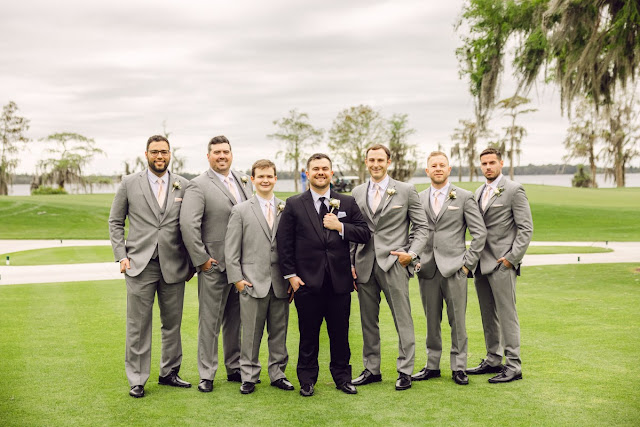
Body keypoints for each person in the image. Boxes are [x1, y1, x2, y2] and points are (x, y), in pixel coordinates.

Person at [276, 153, 370, 397]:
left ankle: (342, 378)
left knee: (340, 334)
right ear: (307, 173)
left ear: (332, 173)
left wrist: (340, 227)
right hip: (307, 282)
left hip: (339, 282)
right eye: (315, 168)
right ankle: (307, 380)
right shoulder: (295, 204)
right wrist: (291, 276)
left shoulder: (346, 202)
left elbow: (364, 233)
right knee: (308, 335)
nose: (320, 172)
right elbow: (284, 243)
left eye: (325, 168)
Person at [108, 135, 193, 398]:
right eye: (155, 152)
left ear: (170, 155)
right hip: (139, 265)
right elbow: (115, 221)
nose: (160, 156)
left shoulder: (184, 185)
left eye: (164, 152)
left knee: (172, 323)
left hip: (173, 265)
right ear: (146, 154)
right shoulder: (129, 183)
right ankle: (137, 379)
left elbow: (191, 224)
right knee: (138, 325)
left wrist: (191, 262)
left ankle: (169, 373)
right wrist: (121, 255)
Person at [351, 144, 429, 391]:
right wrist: (350, 263)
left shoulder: (406, 190)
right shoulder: (357, 192)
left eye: (380, 160)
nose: (376, 164)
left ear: (389, 162)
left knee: (402, 319)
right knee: (368, 321)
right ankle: (371, 369)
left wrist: (411, 254)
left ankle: (405, 371)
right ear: (366, 162)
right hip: (364, 264)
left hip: (394, 263)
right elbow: (354, 232)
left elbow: (422, 227)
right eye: (371, 160)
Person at [180, 135, 253, 392]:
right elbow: (189, 225)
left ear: (231, 154)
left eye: (226, 152)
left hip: (241, 266)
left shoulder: (244, 180)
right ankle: (207, 373)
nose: (222, 156)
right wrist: (202, 260)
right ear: (208, 156)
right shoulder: (198, 185)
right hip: (215, 265)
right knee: (210, 321)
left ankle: (234, 367)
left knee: (236, 320)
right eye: (217, 152)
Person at [411, 151, 486, 386]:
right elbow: (412, 232)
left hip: (455, 269)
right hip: (427, 269)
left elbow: (479, 233)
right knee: (431, 320)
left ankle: (459, 367)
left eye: (442, 165)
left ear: (449, 169)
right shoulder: (418, 197)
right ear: (427, 170)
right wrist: (415, 259)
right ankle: (432, 365)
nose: (438, 169)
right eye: (433, 165)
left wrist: (467, 265)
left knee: (458, 321)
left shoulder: (463, 197)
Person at [225, 159, 293, 395]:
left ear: (275, 179)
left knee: (279, 332)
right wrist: (237, 280)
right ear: (252, 180)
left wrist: (292, 277)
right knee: (251, 333)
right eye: (260, 176)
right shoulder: (241, 210)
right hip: (251, 282)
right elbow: (231, 249)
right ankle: (249, 375)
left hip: (280, 282)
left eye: (269, 176)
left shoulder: (286, 208)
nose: (265, 180)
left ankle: (278, 373)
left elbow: (292, 247)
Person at [466, 147, 533, 383]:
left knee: (507, 315)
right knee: (487, 315)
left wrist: (510, 259)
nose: (487, 167)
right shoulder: (478, 191)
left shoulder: (514, 190)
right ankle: (493, 359)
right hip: (480, 265)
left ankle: (513, 365)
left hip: (502, 264)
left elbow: (526, 229)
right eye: (484, 163)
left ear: (501, 163)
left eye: (492, 162)